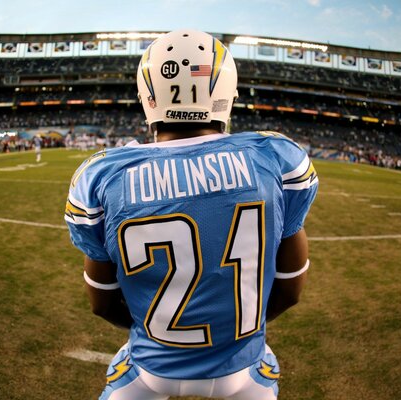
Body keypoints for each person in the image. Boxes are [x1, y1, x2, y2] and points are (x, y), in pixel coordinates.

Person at [65, 30, 318, 400]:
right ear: (225, 94)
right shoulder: (275, 158)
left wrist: (159, 337)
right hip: (244, 367)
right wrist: (237, 335)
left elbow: (101, 303)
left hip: (151, 367)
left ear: (148, 98)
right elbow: (291, 291)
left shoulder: (102, 177)